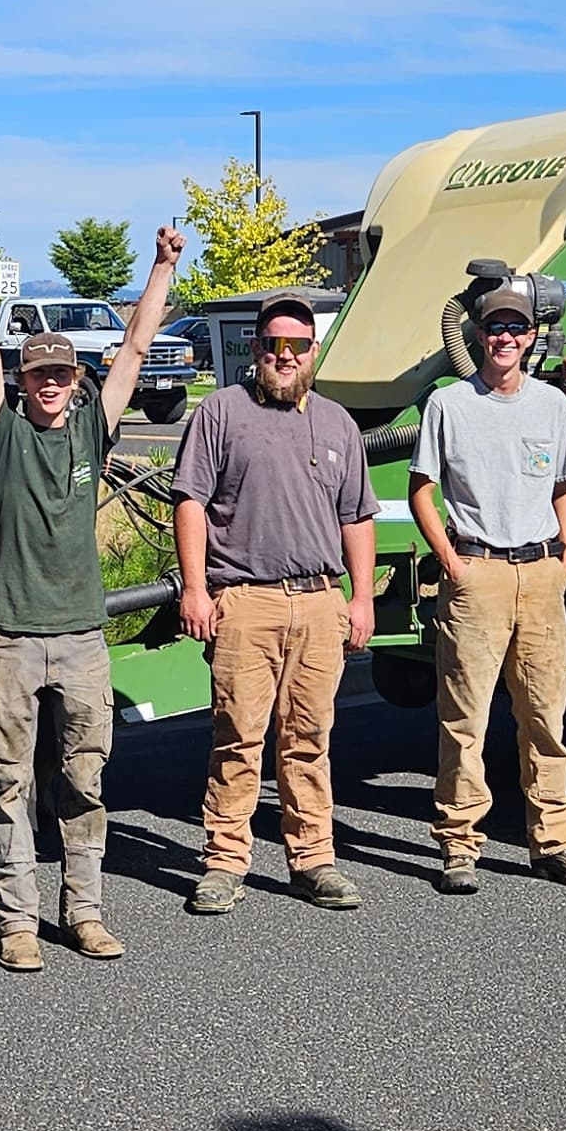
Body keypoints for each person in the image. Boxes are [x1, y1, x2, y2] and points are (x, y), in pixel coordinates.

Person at [0, 212, 182, 970]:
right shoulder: (4, 434)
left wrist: (162, 267)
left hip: (81, 637)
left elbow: (136, 347)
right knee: (8, 785)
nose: (50, 384)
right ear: (23, 384)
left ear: (76, 382)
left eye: (61, 375)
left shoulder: (90, 432)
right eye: (38, 375)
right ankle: (16, 922)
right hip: (10, 636)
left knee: (84, 781)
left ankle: (83, 912)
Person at [170, 292, 378, 916]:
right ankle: (224, 863)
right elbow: (190, 503)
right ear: (256, 349)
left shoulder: (338, 423)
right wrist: (196, 589)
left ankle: (313, 860)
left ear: (313, 351)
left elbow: (356, 517)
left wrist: (361, 598)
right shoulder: (220, 412)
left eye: (298, 346)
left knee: (308, 738)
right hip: (244, 601)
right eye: (273, 344)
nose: (285, 356)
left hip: (318, 603)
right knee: (238, 737)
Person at [409, 276, 566, 895]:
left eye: (516, 328)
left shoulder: (551, 404)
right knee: (464, 720)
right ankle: (459, 845)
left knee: (546, 717)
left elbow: (565, 487)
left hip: (541, 574)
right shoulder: (449, 404)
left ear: (530, 338)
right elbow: (422, 490)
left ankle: (555, 843)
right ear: (477, 335)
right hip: (478, 575)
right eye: (495, 327)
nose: (505, 338)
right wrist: (451, 560)